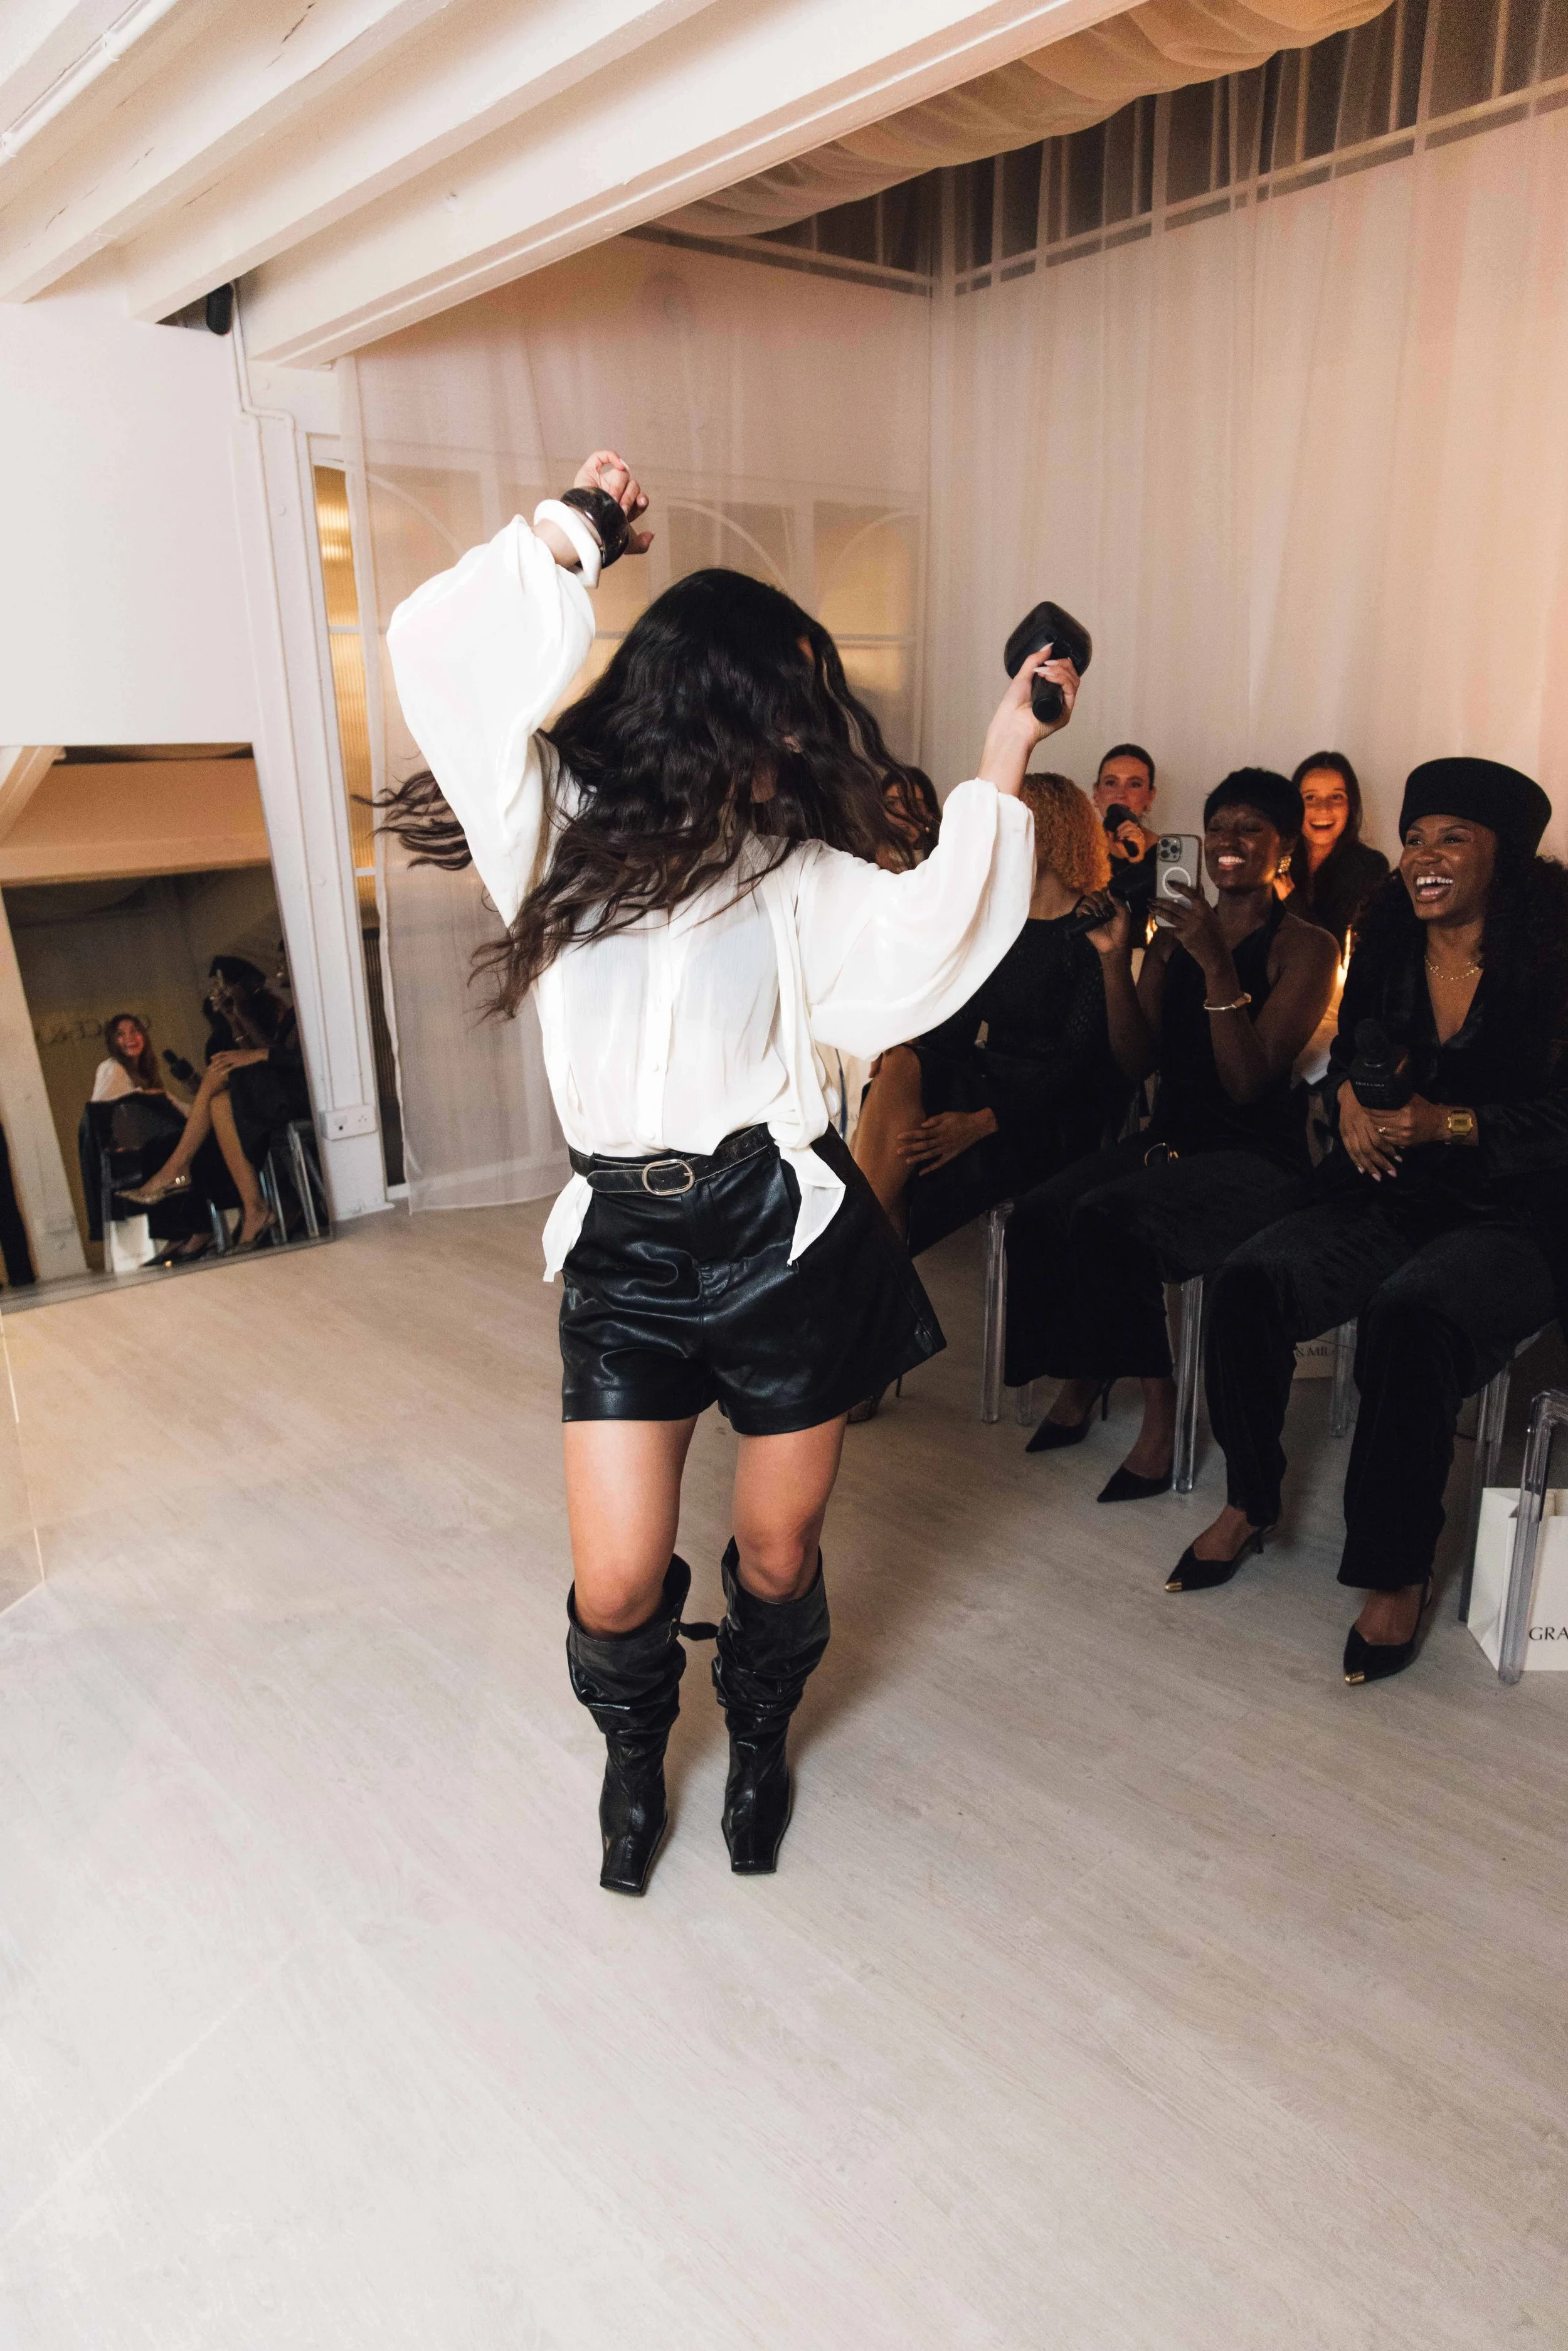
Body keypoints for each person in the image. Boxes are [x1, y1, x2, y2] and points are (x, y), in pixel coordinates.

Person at [381, 448, 1074, 1895]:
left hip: (779, 1234)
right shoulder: (551, 828)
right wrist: (569, 537)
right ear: (711, 703)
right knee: (621, 1579)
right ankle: (636, 1759)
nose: (800, 745)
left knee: (775, 1551)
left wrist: (1005, 754)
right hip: (628, 1252)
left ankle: (757, 1738)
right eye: (782, 711)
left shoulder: (794, 869)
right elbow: (432, 655)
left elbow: (929, 943)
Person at [1187, 758, 1568, 1683]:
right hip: (1391, 1182)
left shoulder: (1555, 957)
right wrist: (1359, 1102)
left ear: (1505, 859)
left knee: (1412, 1318)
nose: (1422, 856)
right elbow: (1360, 1045)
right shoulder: (1388, 933)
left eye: (1452, 838)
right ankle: (1251, 1498)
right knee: (1245, 1281)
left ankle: (1395, 1570)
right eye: (1413, 836)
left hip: (1517, 1210)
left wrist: (1453, 1122)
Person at [1005, 768, 1338, 1499]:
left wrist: (1216, 962)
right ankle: (1085, 1369)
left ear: (1283, 848)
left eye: (1251, 829)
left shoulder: (1306, 947)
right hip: (1174, 1134)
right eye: (1219, 826)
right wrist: (1112, 961)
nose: (1228, 842)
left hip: (1258, 1158)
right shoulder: (1171, 934)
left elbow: (1250, 1083)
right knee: (1040, 1213)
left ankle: (1159, 1412)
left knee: (1108, 1220)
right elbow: (1135, 1061)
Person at [852, 773, 1136, 1262]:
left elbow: (1076, 1065)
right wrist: (904, 1050)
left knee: (902, 1148)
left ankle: (858, 1257)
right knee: (902, 1066)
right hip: (993, 1079)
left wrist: (983, 1122)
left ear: (1048, 833)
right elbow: (955, 1034)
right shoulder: (999, 922)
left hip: (1054, 1110)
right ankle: (864, 1249)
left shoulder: (1092, 928)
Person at [122, 958, 292, 1248]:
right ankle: (195, 1222)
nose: (220, 991)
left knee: (214, 1097)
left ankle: (179, 1173)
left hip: (278, 1095)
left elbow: (271, 1057)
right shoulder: (224, 1030)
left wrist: (241, 1019)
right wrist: (233, 1021)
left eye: (225, 983)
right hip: (248, 1095)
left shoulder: (276, 1011)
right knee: (207, 1110)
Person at [1281, 751, 1389, 952]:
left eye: (1336, 797)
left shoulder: (1370, 867)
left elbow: (1337, 949)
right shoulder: (1277, 857)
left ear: (1351, 805)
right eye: (1310, 797)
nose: (1323, 808)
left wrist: (1288, 895)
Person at [1092, 742, 1160, 914]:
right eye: (1111, 783)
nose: (1121, 794)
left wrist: (1137, 863)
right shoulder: (1076, 848)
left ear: (1150, 796)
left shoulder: (1165, 853)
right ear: (1096, 793)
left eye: (1135, 784)